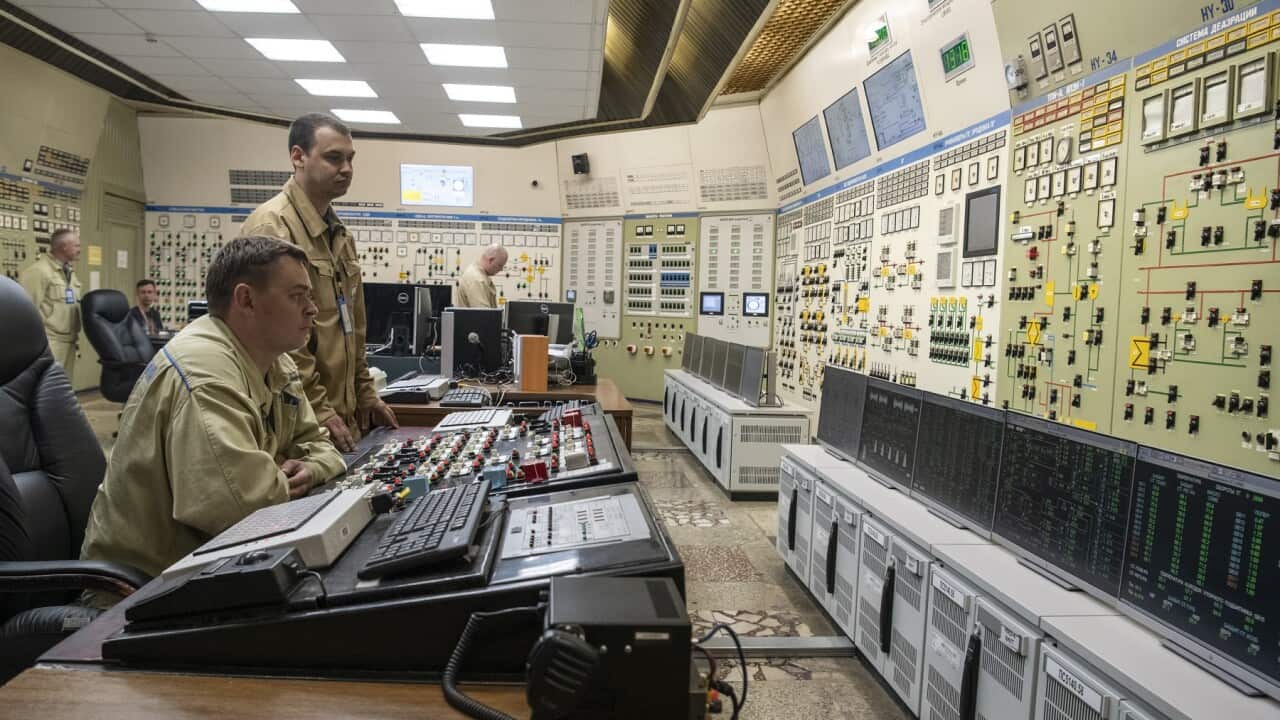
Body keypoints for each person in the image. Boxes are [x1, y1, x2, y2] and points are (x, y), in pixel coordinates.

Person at [79, 236, 347, 601]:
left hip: (216, 567)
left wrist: (313, 468)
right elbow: (249, 511)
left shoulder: (275, 361)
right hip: (142, 595)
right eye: (298, 296)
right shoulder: (205, 373)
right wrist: (284, 468)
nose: (313, 310)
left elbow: (321, 447)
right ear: (246, 300)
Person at [240, 112, 396, 452]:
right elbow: (284, 343)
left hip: (342, 418)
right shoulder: (273, 229)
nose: (346, 169)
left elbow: (353, 328)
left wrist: (366, 394)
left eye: (350, 159)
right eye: (333, 158)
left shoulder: (339, 235)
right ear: (298, 157)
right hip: (301, 422)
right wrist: (322, 411)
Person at [19, 228, 82, 377]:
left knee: (64, 387)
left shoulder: (69, 272)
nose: (80, 249)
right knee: (46, 388)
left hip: (69, 341)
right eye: (77, 245)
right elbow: (26, 311)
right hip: (49, 343)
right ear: (64, 246)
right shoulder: (39, 271)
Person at [455, 244, 508, 309]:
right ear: (491, 260)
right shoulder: (477, 280)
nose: (501, 269)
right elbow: (484, 315)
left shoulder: (478, 272)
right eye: (500, 265)